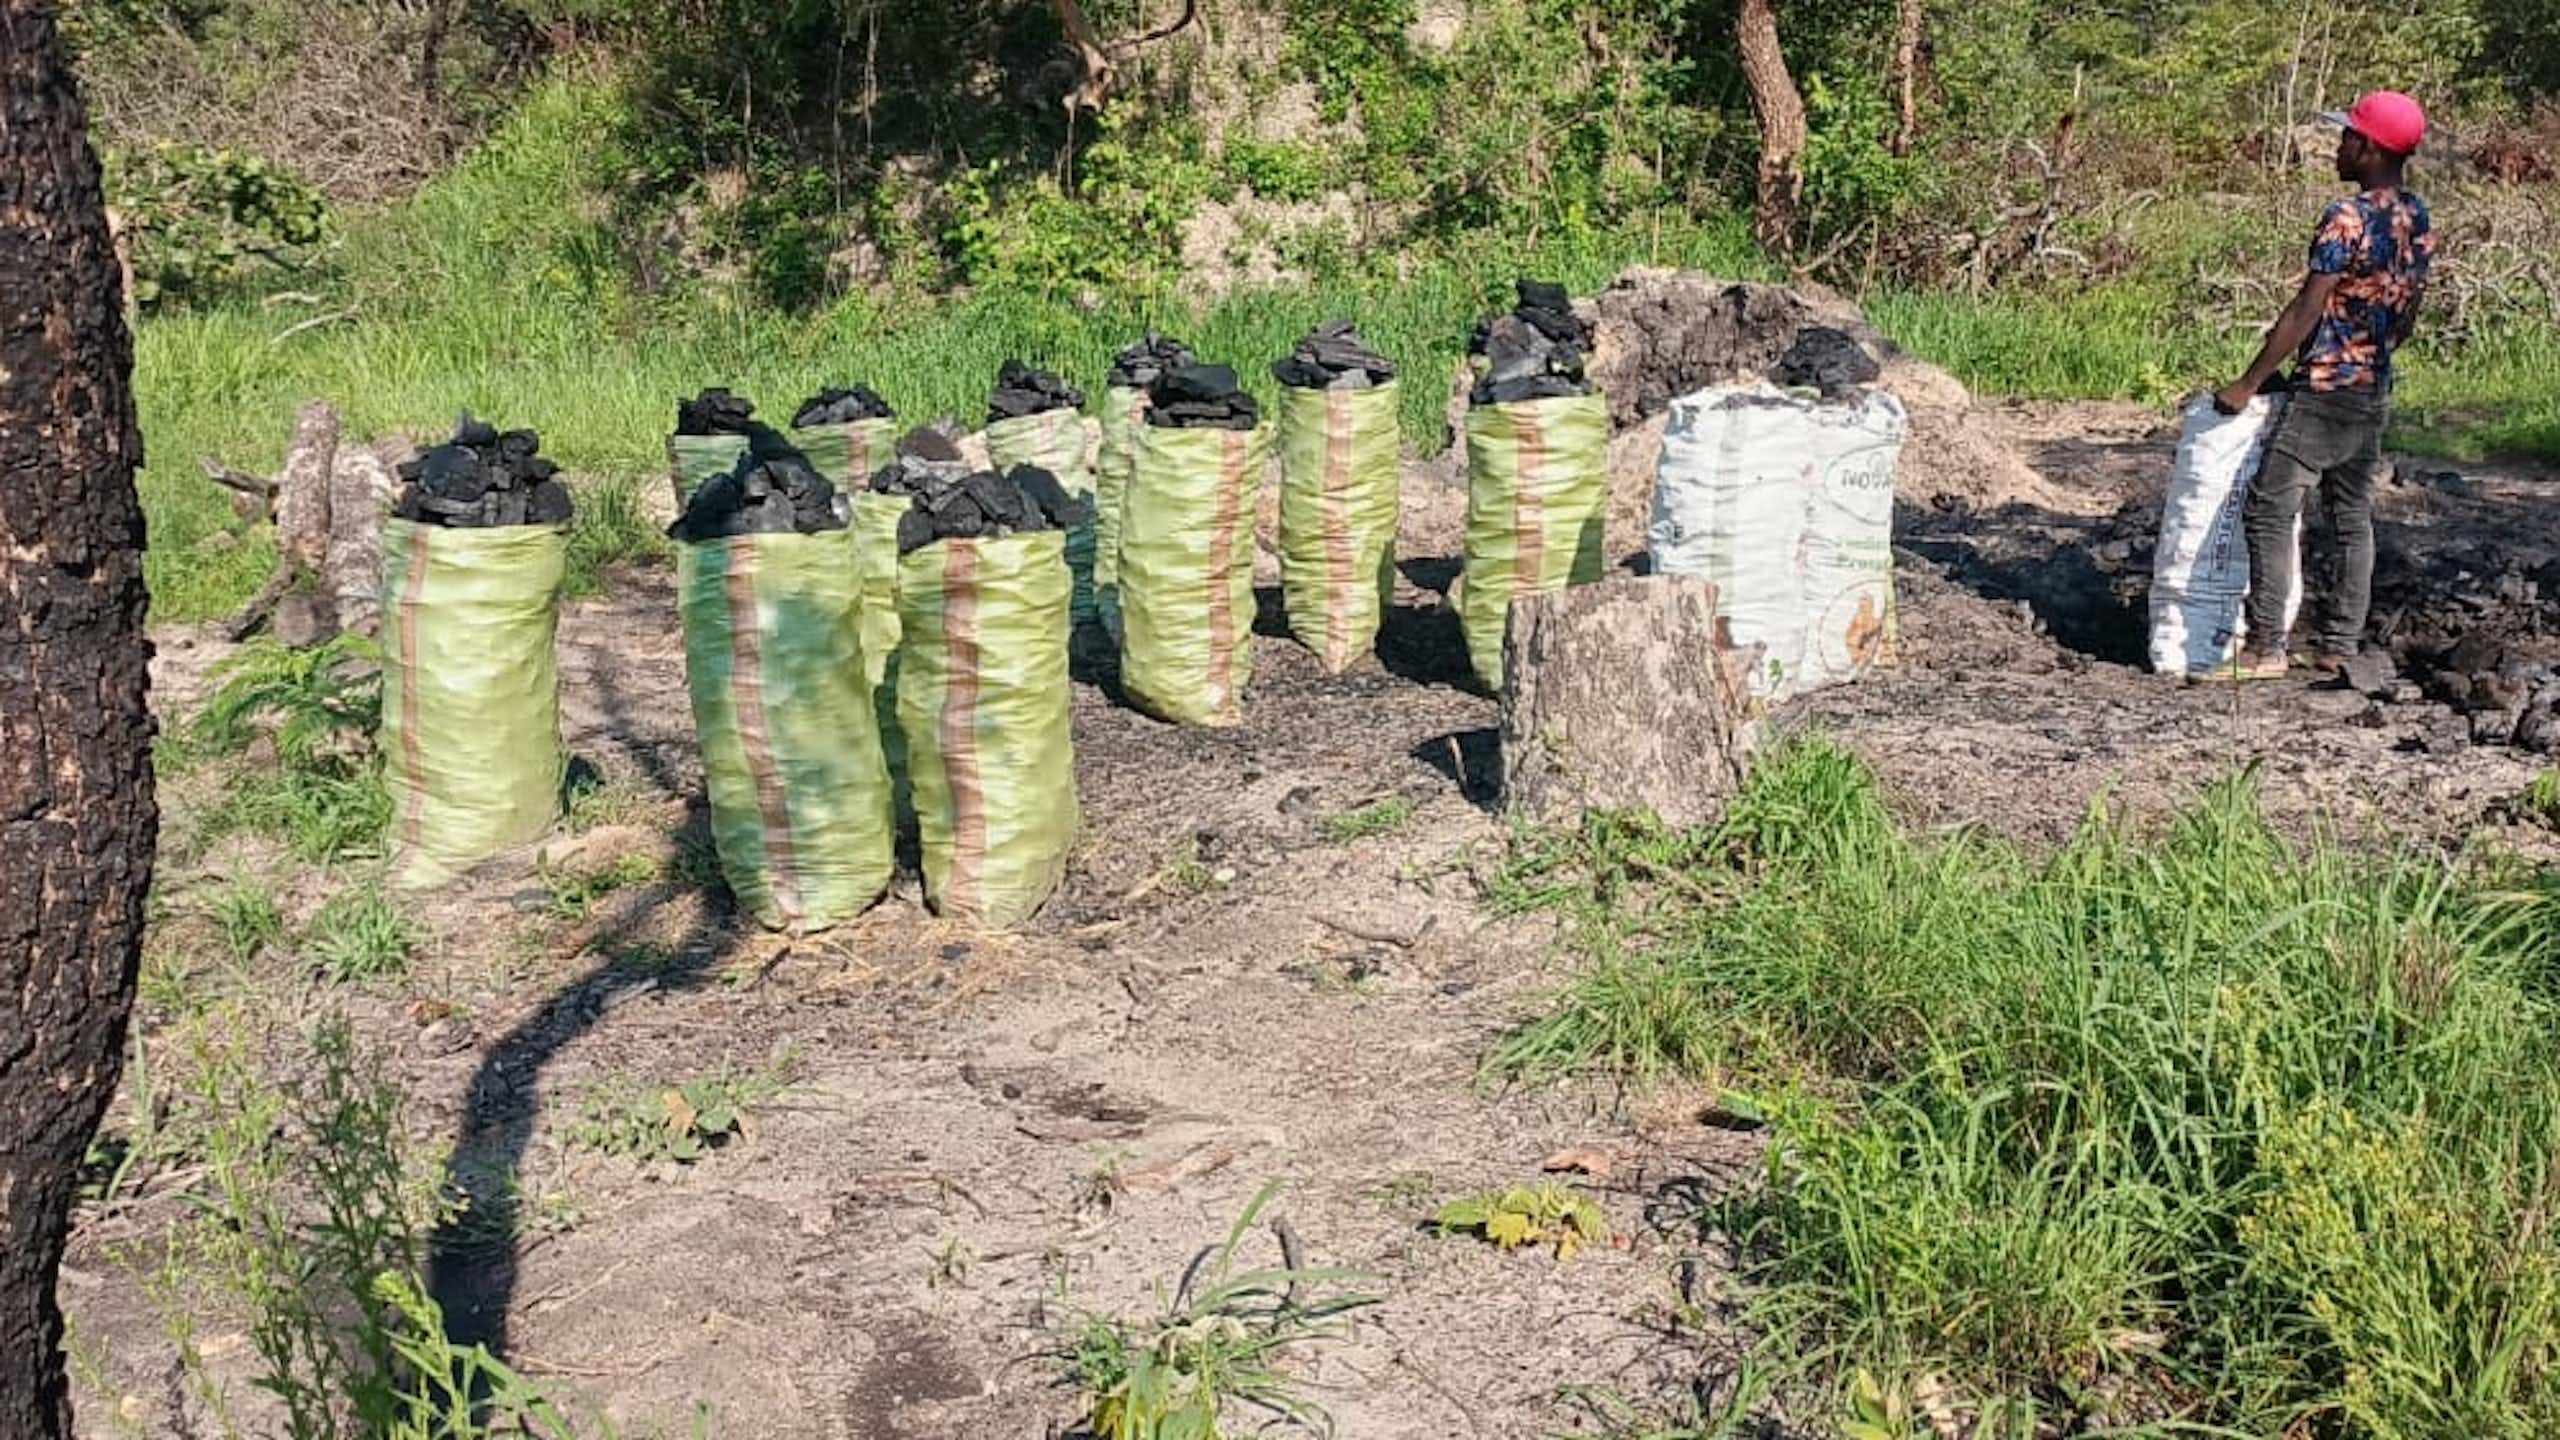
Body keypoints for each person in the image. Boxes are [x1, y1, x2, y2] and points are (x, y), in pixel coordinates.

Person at [2213, 90, 2434, 680]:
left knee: (2268, 508)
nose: (2337, 147)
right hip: (2372, 388)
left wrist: (2248, 382)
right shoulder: (2415, 214)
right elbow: (2407, 310)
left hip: (2326, 391)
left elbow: (2306, 308)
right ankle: (2340, 644)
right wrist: (2375, 355)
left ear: (2367, 148)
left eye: (2345, 137)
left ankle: (2263, 649)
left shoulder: (2348, 216)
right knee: (2350, 514)